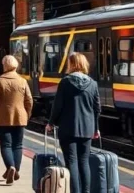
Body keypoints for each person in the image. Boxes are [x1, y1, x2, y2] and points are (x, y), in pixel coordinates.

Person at [46, 53, 100, 193]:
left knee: (72, 162)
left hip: (68, 128)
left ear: (71, 64)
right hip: (87, 128)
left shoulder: (65, 82)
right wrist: (96, 128)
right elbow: (97, 109)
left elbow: (58, 105)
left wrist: (51, 122)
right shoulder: (93, 84)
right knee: (84, 161)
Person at [0, 55, 32, 184]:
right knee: (18, 145)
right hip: (20, 117)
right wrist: (27, 114)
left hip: (2, 118)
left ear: (4, 65)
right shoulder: (22, 81)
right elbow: (29, 100)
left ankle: (10, 167)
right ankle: (16, 169)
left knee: (6, 144)